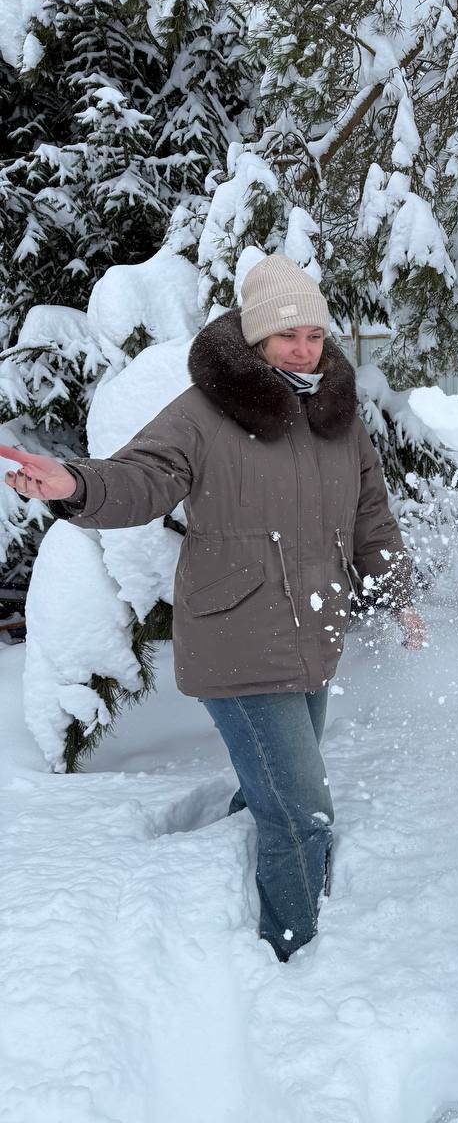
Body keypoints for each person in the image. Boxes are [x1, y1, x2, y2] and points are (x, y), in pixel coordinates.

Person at [0, 254, 426, 961]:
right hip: (240, 642)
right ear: (257, 338)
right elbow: (141, 477)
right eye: (287, 334)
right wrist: (73, 484)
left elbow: (371, 514)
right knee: (301, 813)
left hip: (313, 636)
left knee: (285, 785)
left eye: (314, 334)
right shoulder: (205, 412)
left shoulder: (337, 418)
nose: (303, 348)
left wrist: (397, 593)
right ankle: (295, 959)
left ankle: (211, 879)